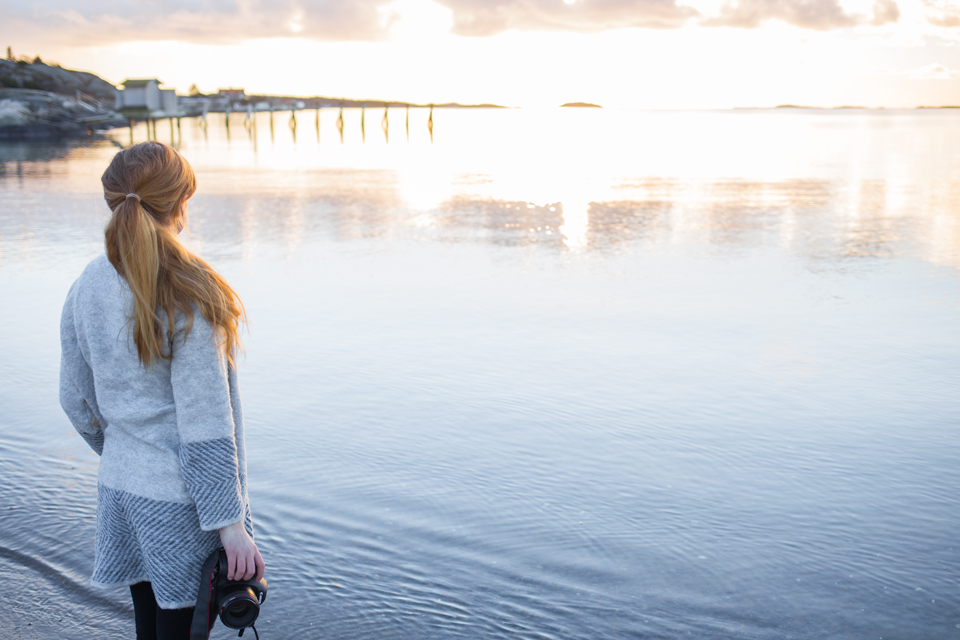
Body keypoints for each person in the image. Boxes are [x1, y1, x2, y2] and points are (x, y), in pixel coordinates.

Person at [59, 141, 265, 640]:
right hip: (182, 506)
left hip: (122, 490)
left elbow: (75, 399)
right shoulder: (188, 290)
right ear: (180, 204)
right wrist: (232, 526)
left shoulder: (88, 283)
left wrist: (127, 451)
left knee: (149, 628)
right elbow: (206, 423)